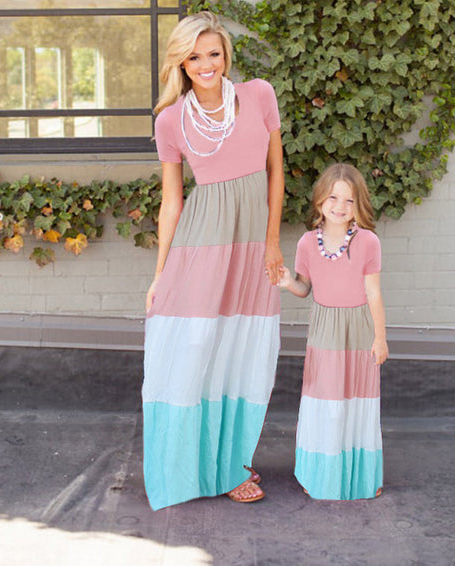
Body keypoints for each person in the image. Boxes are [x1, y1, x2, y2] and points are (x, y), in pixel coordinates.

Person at [142, 11, 284, 510]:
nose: (205, 64)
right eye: (194, 56)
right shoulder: (170, 120)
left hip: (250, 244)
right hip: (200, 243)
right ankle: (191, 463)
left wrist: (271, 242)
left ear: (226, 56)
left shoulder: (259, 95)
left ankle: (232, 463)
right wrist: (160, 274)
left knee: (243, 350)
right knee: (197, 345)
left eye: (214, 54)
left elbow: (275, 173)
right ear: (181, 61)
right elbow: (172, 202)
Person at [279, 163, 388, 500]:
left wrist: (380, 338)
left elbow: (373, 293)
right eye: (333, 197)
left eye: (349, 200)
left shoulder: (368, 242)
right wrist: (287, 282)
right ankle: (322, 474)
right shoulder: (307, 244)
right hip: (325, 331)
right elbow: (304, 288)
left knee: (357, 401)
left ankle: (361, 474)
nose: (340, 206)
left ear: (359, 204)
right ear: (320, 200)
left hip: (358, 329)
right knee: (325, 401)